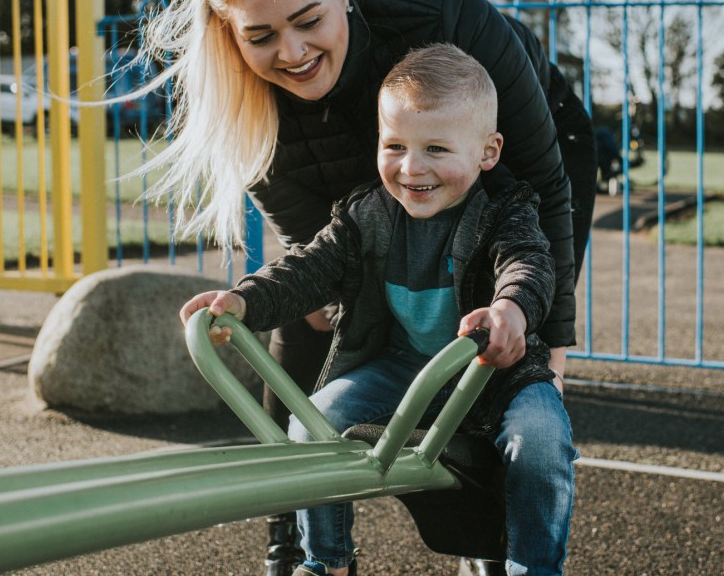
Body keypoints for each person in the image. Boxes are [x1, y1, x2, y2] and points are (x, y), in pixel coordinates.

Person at [140, 0, 595, 575]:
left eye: (308, 21)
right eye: (261, 35)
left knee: (512, 370)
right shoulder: (254, 110)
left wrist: (543, 346)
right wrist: (253, 301)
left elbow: (541, 202)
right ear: (233, 37)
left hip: (512, 150)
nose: (291, 51)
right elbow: (316, 266)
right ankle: (303, 550)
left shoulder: (438, 10)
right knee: (316, 331)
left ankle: (496, 544)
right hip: (375, 172)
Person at [180, 45, 576, 575]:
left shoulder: (504, 211)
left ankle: (533, 567)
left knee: (542, 443)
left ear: (488, 150)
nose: (412, 168)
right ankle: (328, 561)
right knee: (310, 430)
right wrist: (246, 300)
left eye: (436, 148)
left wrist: (511, 309)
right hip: (401, 365)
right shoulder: (366, 214)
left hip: (494, 373)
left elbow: (529, 264)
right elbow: (308, 267)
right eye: (395, 145)